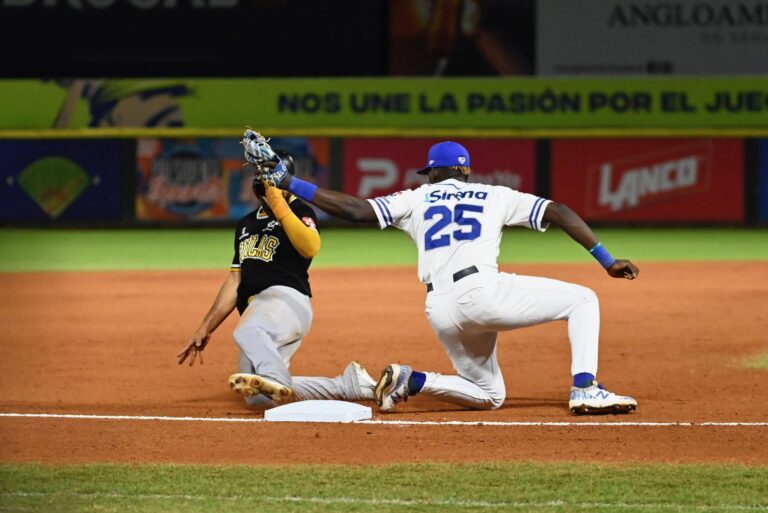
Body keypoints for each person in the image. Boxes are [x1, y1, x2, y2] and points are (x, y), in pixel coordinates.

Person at [251, 137, 640, 415]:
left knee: (490, 395)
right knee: (583, 298)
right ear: (466, 170)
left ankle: (412, 380)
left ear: (432, 173)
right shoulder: (496, 194)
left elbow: (354, 210)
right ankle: (585, 388)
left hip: (439, 308)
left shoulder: (416, 197)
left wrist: (289, 183)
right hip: (484, 293)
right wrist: (606, 260)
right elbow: (560, 212)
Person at [177, 135, 376, 407]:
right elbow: (235, 279)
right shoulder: (246, 224)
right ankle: (348, 385)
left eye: (269, 176)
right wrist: (205, 326)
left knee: (246, 333)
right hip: (259, 312)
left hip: (283, 301)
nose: (264, 182)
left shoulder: (299, 210)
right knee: (258, 396)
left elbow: (310, 246)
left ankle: (276, 376)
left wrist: (280, 203)